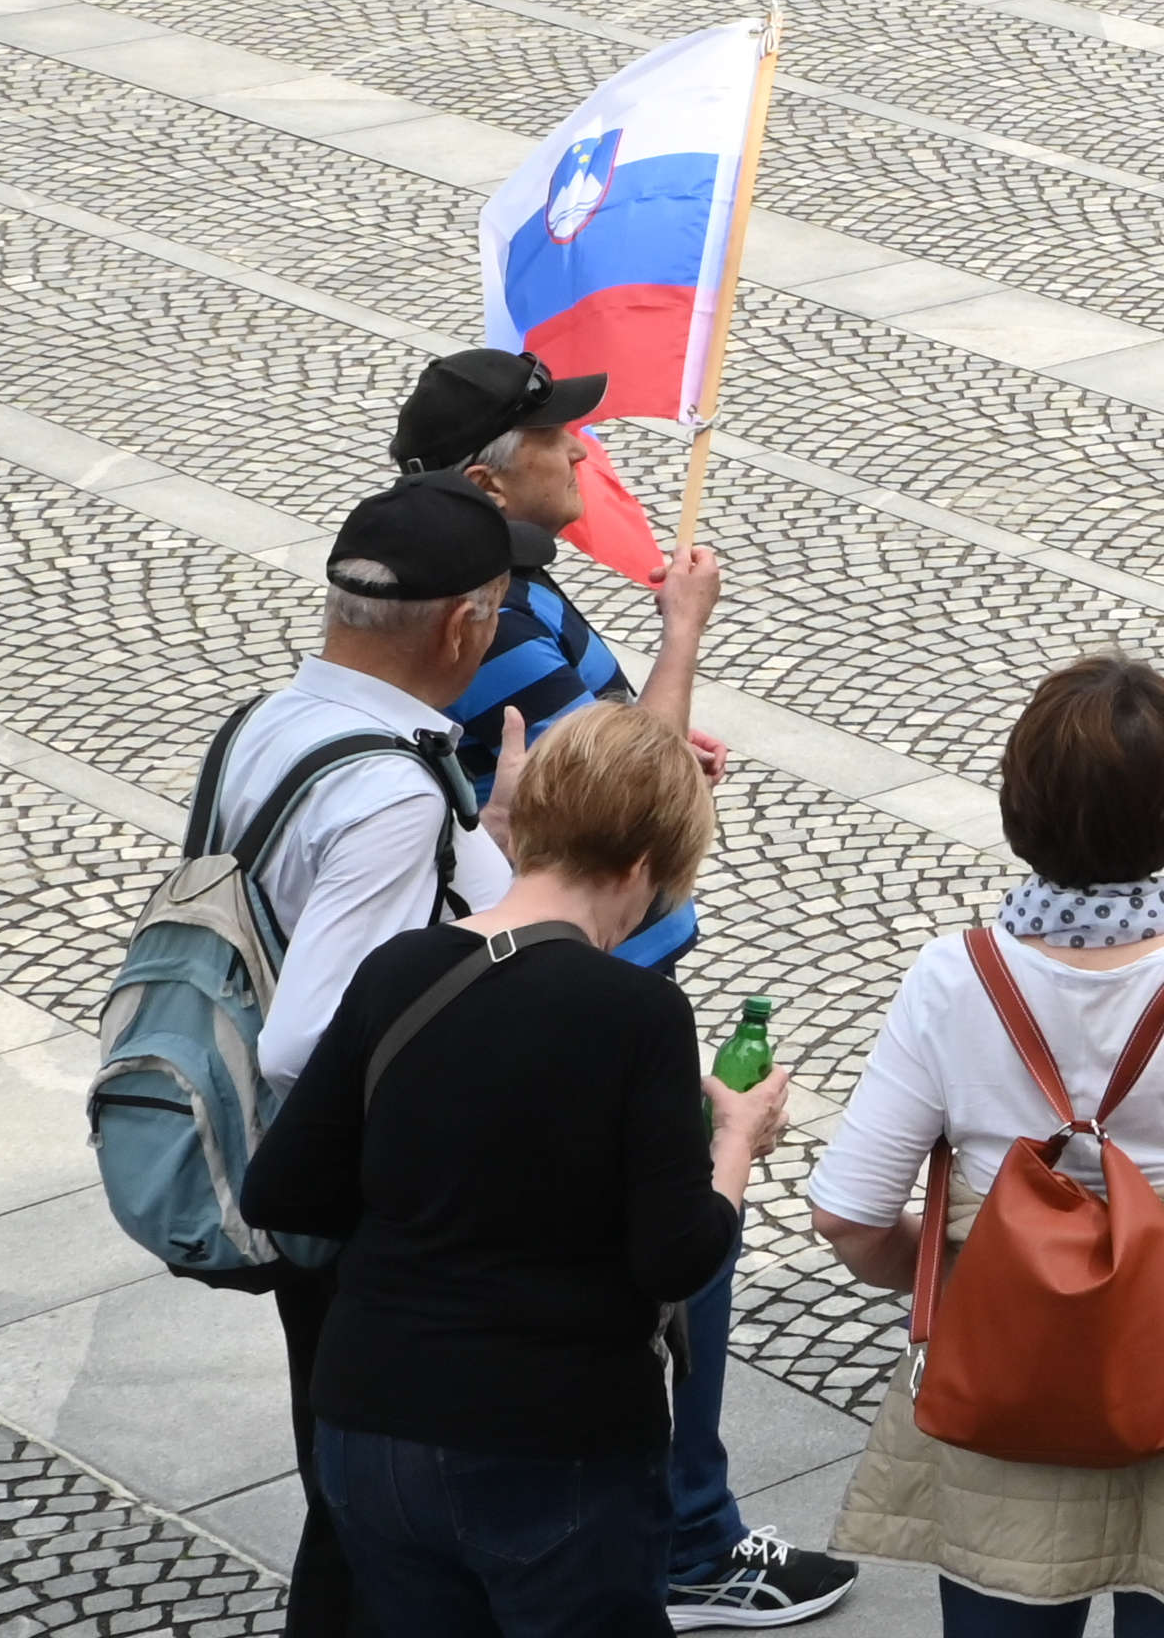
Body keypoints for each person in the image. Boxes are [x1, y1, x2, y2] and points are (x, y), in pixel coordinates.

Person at [806, 660, 1164, 1638]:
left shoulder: (955, 979)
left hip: (1009, 1395)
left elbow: (848, 1213)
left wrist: (967, 1276)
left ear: (1018, 800)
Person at [238, 699, 778, 1638]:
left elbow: (282, 1190)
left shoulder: (399, 969)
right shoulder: (635, 1013)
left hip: (373, 1430)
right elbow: (678, 1257)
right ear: (647, 867)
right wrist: (734, 1139)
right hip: (552, 1446)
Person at [210, 476, 522, 1638]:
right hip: (369, 1211)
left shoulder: (269, 723)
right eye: (496, 609)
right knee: (379, 1517)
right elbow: (308, 1033)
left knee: (347, 1498)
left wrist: (481, 855)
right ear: (461, 627)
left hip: (295, 1177)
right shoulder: (390, 789)